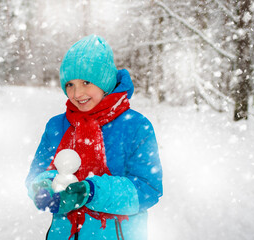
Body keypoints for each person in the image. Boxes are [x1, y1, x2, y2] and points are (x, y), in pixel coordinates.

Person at [25, 35, 163, 240]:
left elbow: (148, 188)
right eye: (70, 84)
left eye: (86, 82)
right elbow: (37, 173)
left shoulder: (135, 126)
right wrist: (45, 186)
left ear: (105, 82)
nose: (77, 93)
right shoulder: (57, 126)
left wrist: (91, 192)